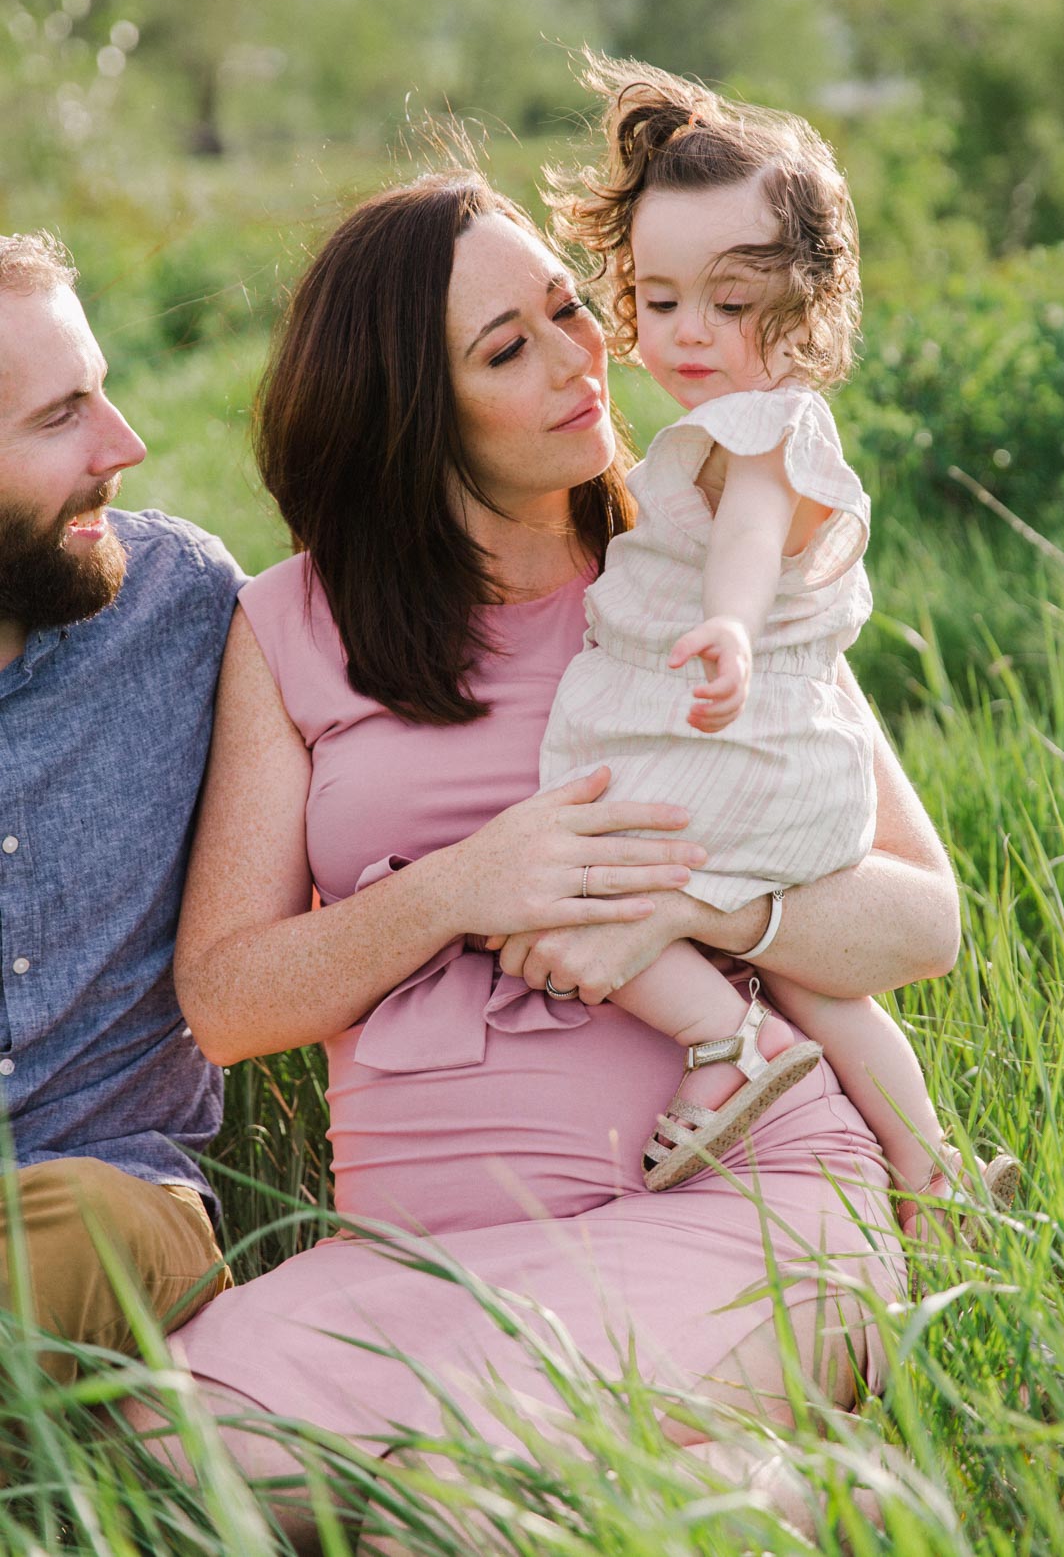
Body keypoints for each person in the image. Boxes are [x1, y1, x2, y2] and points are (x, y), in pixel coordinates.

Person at [123, 168, 961, 1549]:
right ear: (408, 416)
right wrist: (468, 883)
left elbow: (918, 923)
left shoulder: (706, 587)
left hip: (737, 1202)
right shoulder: (292, 630)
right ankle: (767, 1492)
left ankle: (757, 1483)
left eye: (572, 309)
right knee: (164, 1454)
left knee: (457, 1498)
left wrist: (693, 902)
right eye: (510, 349)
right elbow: (228, 998)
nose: (587, 359)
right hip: (420, 1261)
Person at [535, 60, 1020, 1219]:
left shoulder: (765, 427)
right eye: (658, 301)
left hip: (743, 748)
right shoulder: (726, 421)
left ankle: (722, 1046)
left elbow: (752, 531)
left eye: (731, 302)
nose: (687, 331)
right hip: (783, 760)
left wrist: (727, 626)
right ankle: (937, 1178)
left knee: (577, 889)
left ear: (803, 306)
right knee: (831, 995)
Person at [0, 231, 242, 1381]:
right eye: (60, 419)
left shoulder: (184, 610)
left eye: (101, 392)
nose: (126, 445)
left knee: (70, 1222)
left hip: (123, 1213)